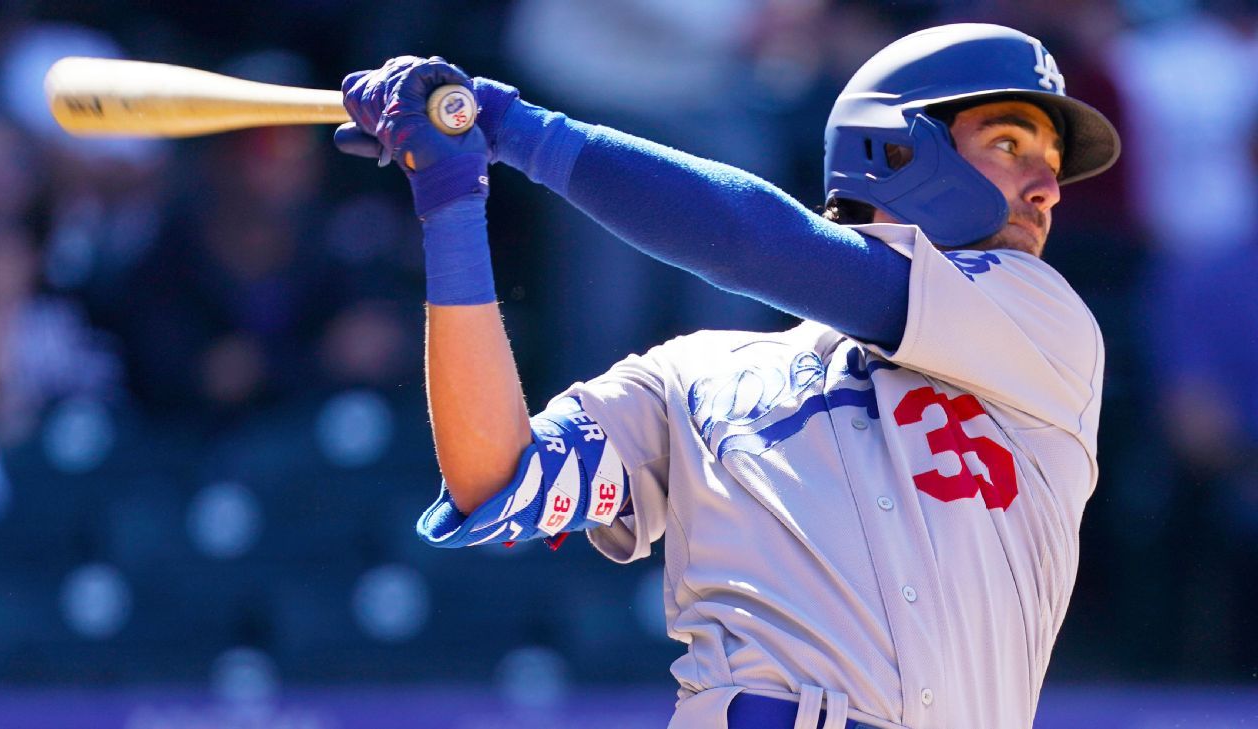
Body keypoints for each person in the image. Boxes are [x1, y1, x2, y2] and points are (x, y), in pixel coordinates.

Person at [334, 23, 1119, 729]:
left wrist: (512, 128)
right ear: (899, 148)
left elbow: (759, 245)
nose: (1048, 188)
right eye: (1012, 145)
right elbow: (491, 475)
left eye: (1052, 163)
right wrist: (450, 201)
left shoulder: (1045, 326)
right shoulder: (699, 373)